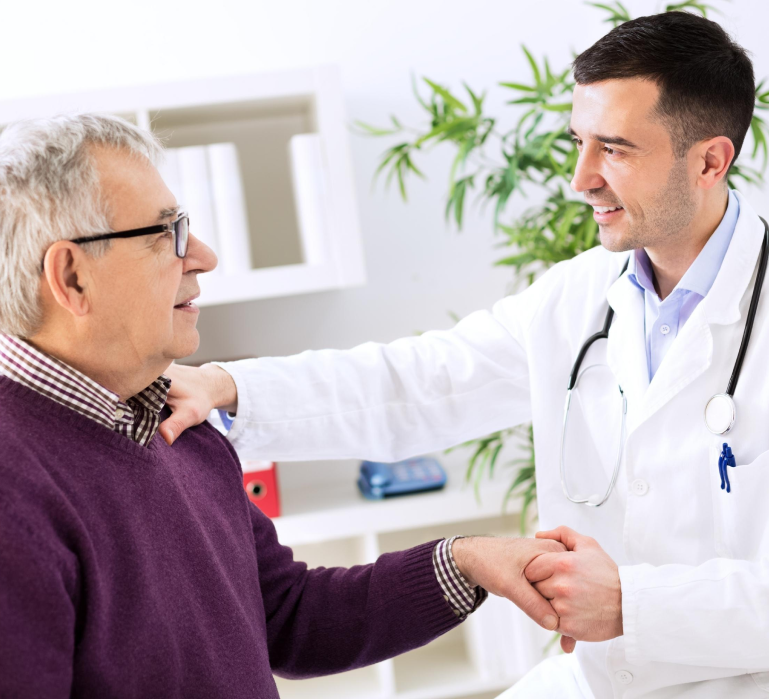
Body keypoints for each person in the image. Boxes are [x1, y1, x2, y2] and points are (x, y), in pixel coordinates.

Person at [162, 11, 769, 699]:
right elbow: (418, 382)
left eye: (615, 149)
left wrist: (633, 605)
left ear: (709, 161)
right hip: (599, 680)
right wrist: (226, 387)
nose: (580, 179)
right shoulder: (576, 297)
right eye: (578, 142)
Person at [0, 113, 567, 698]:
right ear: (72, 277)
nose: (203, 256)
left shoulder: (174, 424)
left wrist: (466, 561)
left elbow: (286, 614)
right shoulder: (14, 497)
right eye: (166, 233)